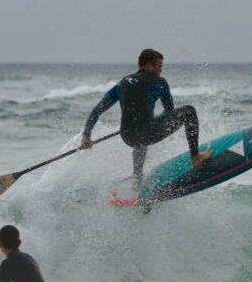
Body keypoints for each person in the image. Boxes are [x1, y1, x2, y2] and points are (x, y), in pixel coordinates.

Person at [81, 48, 212, 188]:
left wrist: (87, 135)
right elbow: (169, 111)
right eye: (159, 66)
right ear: (149, 64)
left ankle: (137, 178)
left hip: (127, 136)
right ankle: (196, 157)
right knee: (189, 111)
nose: (161, 70)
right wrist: (156, 117)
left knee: (139, 135)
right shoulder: (159, 82)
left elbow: (97, 110)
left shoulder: (121, 84)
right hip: (147, 132)